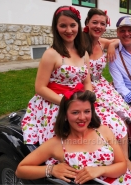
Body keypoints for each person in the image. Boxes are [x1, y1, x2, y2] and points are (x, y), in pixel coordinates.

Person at [16, 90, 131, 185]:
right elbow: (21, 169)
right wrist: (51, 169)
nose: (82, 118)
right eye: (75, 112)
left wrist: (100, 170)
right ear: (65, 115)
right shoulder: (57, 143)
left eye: (87, 111)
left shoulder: (104, 131)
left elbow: (121, 165)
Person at [21, 6, 92, 145]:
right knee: (68, 137)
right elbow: (40, 88)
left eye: (73, 25)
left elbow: (87, 82)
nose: (69, 30)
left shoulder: (84, 53)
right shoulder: (51, 54)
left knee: (109, 124)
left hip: (80, 101)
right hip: (56, 102)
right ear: (56, 27)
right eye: (63, 26)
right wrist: (67, 103)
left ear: (78, 25)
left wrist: (88, 100)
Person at [83, 9, 131, 171]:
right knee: (111, 122)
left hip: (102, 85)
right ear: (87, 23)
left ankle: (125, 155)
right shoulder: (79, 42)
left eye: (102, 23)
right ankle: (122, 160)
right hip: (86, 88)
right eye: (95, 22)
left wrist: (112, 45)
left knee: (125, 112)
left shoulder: (101, 42)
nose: (99, 26)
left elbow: (117, 41)